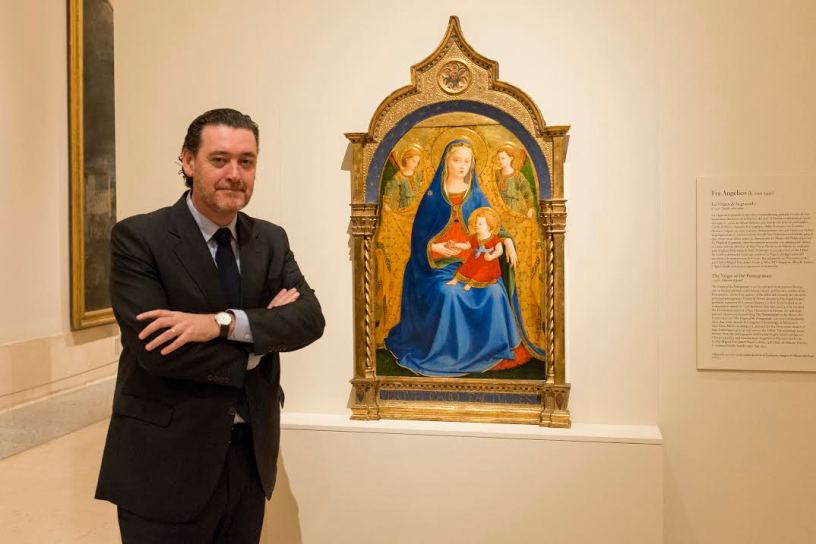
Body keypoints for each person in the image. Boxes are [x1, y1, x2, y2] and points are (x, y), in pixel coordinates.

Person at [95, 108, 325, 543]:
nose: (234, 174)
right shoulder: (140, 238)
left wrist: (221, 324)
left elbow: (309, 319)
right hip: (165, 462)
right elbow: (157, 350)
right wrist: (258, 343)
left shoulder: (270, 239)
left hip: (249, 459)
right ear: (188, 161)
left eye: (246, 161)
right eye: (219, 160)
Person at [384, 139, 544, 377]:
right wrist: (435, 246)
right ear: (445, 162)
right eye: (456, 160)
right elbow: (418, 238)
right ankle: (450, 354)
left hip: (473, 263)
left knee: (494, 291)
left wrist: (507, 241)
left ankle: (489, 349)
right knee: (448, 294)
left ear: (472, 165)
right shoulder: (432, 196)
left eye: (467, 161)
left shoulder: (475, 194)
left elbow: (493, 223)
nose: (461, 166)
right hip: (435, 268)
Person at [446, 207, 503, 291]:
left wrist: (491, 256)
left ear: (488, 226)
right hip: (474, 260)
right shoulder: (474, 237)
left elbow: (500, 250)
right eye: (476, 223)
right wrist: (455, 245)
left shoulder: (493, 238)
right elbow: (466, 246)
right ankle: (455, 280)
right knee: (464, 268)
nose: (476, 225)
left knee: (482, 272)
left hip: (488, 263)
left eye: (480, 224)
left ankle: (470, 284)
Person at [495, 143, 535, 218]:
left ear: (511, 158)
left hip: (513, 209)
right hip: (498, 209)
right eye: (499, 159)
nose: (500, 161)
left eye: (503, 158)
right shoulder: (496, 174)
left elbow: (527, 193)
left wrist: (530, 209)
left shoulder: (518, 175)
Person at [382, 144, 424, 211]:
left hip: (418, 207)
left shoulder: (417, 175)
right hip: (405, 207)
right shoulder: (399, 176)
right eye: (413, 161)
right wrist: (386, 204)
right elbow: (390, 188)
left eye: (417, 162)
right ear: (407, 159)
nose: (416, 164)